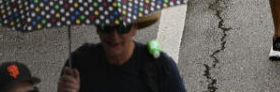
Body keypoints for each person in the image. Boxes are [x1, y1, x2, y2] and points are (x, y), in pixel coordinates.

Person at [53, 20, 186, 92]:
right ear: (97, 28)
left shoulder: (161, 68)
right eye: (106, 26)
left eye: (122, 27)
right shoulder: (79, 64)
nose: (114, 36)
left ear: (135, 28)